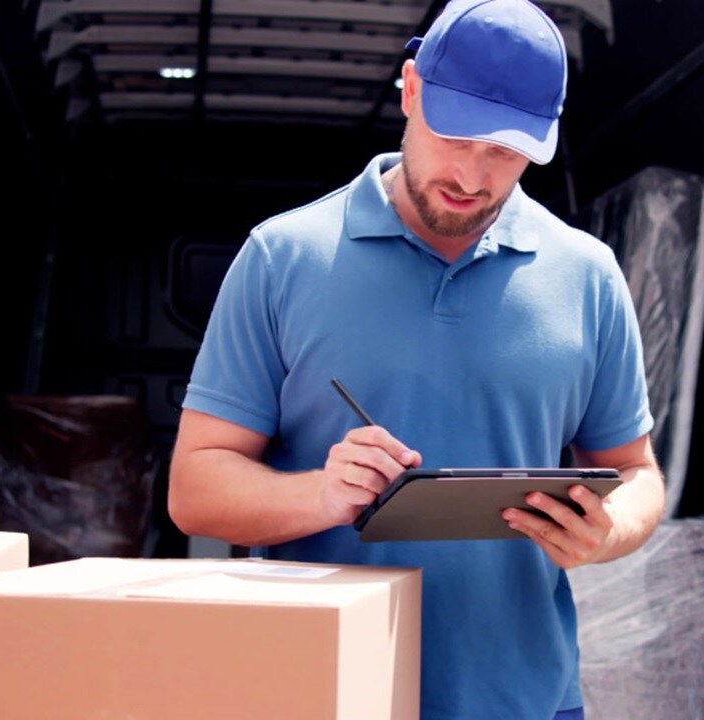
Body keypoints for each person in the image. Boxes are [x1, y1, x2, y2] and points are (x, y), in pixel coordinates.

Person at [167, 0, 666, 718]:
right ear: (410, 90)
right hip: (321, 695)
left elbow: (639, 473)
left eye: (505, 150)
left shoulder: (588, 276)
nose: (471, 173)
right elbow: (194, 489)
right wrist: (320, 495)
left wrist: (606, 531)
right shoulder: (283, 257)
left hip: (527, 702)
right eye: (454, 134)